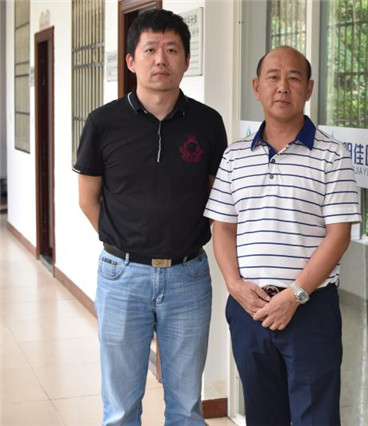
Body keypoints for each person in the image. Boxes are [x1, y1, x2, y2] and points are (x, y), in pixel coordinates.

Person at [74, 9, 227, 425]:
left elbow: (218, 198)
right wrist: (126, 245)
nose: (161, 59)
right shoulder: (103, 123)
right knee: (121, 408)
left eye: (172, 50)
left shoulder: (208, 123)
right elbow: (88, 199)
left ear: (187, 60)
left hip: (188, 276)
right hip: (122, 276)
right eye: (150, 50)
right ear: (131, 61)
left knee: (187, 407)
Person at [205, 46, 360, 426]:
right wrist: (235, 285)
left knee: (315, 418)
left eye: (293, 78)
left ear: (309, 89)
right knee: (263, 416)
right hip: (251, 308)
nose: (282, 87)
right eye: (273, 77)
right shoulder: (234, 156)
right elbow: (223, 227)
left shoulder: (332, 155)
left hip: (311, 309)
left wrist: (296, 295)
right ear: (256, 87)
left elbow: (338, 235)